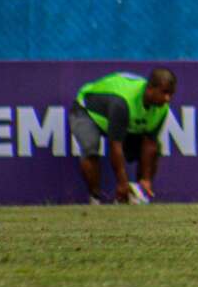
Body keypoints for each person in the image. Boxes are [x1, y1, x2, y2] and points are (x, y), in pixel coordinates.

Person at [69, 68, 176, 204]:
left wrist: (146, 179)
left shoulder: (162, 108)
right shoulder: (122, 103)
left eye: (171, 94)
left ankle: (136, 194)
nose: (168, 98)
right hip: (86, 111)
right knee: (90, 148)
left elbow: (150, 144)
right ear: (150, 89)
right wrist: (122, 183)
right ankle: (95, 199)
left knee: (155, 150)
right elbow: (115, 145)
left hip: (115, 118)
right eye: (164, 93)